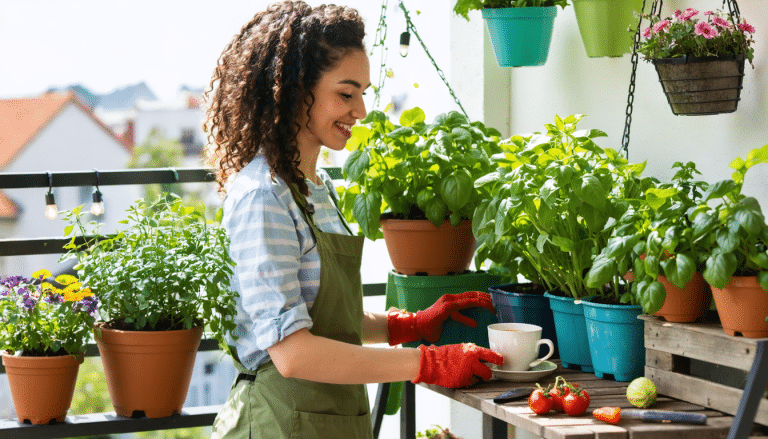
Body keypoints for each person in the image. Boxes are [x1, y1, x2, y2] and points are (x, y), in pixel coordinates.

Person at [203, 2, 503, 438]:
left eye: (362, 92)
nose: (360, 111)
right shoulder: (263, 199)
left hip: (329, 421)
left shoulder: (315, 188)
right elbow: (293, 353)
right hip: (278, 423)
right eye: (346, 94)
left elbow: (326, 317)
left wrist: (407, 325)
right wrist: (427, 362)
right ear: (293, 90)